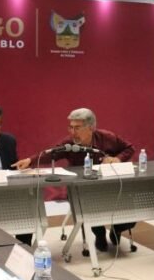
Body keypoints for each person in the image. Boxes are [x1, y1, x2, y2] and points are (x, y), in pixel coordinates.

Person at [13, 108, 135, 252]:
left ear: (91, 128)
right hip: (82, 190)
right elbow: (51, 153)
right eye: (70, 127)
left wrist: (118, 159)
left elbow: (129, 148)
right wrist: (30, 160)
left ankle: (117, 229)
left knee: (131, 212)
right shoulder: (70, 143)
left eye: (77, 128)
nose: (72, 132)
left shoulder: (107, 137)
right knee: (86, 207)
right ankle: (99, 233)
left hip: (109, 186)